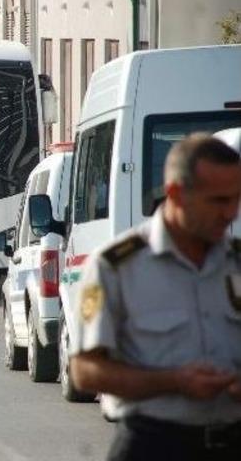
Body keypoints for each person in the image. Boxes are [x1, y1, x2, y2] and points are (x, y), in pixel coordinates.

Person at [70, 133, 241, 461]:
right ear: (177, 194)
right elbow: (85, 371)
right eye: (218, 201)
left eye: (236, 199)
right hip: (154, 444)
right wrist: (174, 381)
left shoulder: (236, 261)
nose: (230, 213)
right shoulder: (116, 266)